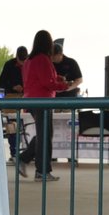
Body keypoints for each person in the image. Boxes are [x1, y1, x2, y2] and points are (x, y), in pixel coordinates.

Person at [16, 30, 72, 181]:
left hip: (32, 100)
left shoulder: (29, 60)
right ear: (48, 43)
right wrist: (64, 85)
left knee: (44, 134)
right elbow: (47, 83)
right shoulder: (43, 59)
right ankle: (41, 171)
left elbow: (37, 78)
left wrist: (57, 78)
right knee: (45, 135)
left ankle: (25, 158)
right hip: (43, 100)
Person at [0, 45, 28, 161]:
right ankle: (14, 152)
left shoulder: (30, 63)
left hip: (27, 96)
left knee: (28, 123)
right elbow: (1, 82)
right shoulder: (9, 65)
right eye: (20, 62)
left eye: (24, 62)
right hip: (11, 96)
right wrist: (13, 86)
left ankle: (29, 152)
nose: (22, 64)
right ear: (16, 57)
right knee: (11, 125)